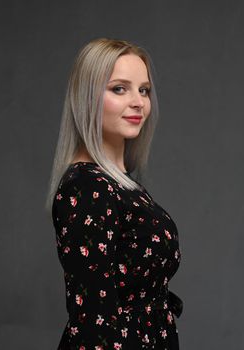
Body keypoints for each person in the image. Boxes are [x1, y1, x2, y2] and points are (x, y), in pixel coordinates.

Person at [45, 38, 183, 350]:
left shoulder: (122, 186)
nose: (138, 102)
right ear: (87, 98)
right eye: (119, 88)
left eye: (143, 90)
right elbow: (93, 319)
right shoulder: (86, 187)